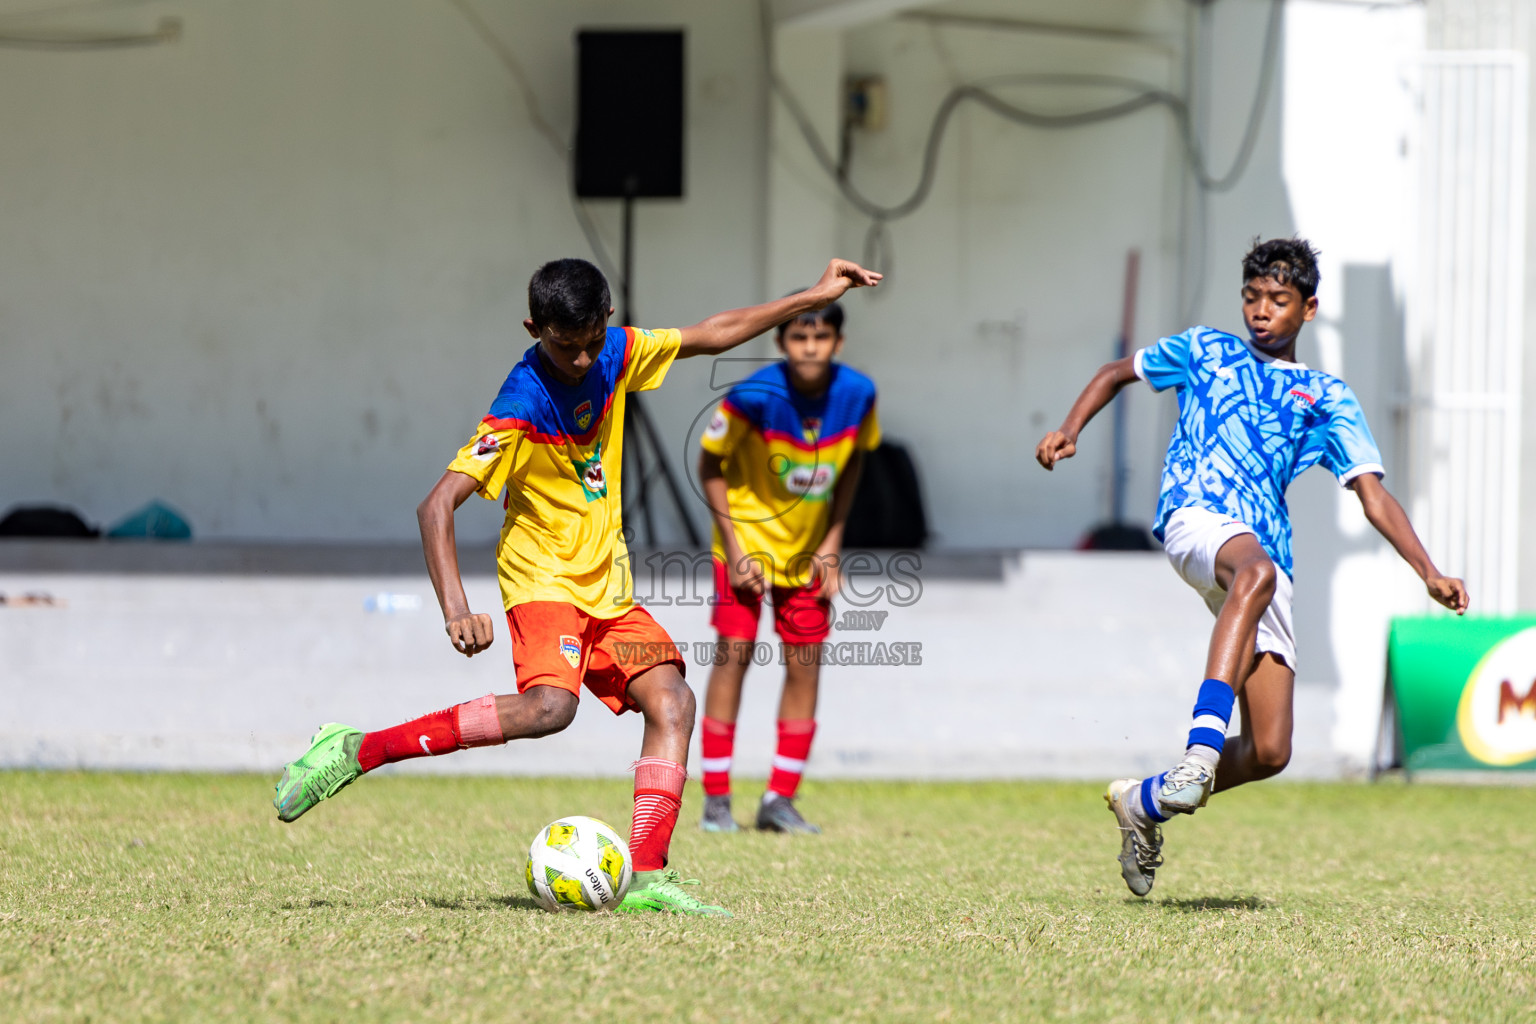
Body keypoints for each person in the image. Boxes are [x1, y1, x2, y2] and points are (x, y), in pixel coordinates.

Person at [272, 256, 881, 916]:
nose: (584, 359)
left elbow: (715, 330)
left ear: (608, 321)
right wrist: (456, 609)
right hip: (543, 577)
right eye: (567, 346)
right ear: (535, 328)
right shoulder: (521, 403)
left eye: (594, 341)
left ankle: (649, 880)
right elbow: (437, 505)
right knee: (549, 711)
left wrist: (815, 295)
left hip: (607, 585)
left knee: (673, 702)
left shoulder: (616, 351)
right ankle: (357, 750)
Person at [1035, 237, 1468, 897]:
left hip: (1265, 556)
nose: (1261, 311)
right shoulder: (1205, 349)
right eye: (1252, 297)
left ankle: (1145, 802)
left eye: (1278, 299)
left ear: (1309, 308)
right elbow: (1116, 372)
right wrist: (1071, 427)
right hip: (1196, 517)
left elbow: (1372, 493)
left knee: (1271, 749)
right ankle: (1199, 752)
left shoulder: (1325, 396)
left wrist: (1427, 570)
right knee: (1254, 575)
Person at [695, 301, 879, 834]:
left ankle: (779, 798)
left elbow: (854, 464)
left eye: (821, 338)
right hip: (745, 545)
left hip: (809, 552)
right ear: (782, 344)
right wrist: (734, 547)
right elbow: (709, 463)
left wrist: (833, 544)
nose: (810, 347)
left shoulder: (859, 394)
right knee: (734, 658)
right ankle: (716, 799)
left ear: (838, 344)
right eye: (799, 337)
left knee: (806, 665)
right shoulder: (752, 396)